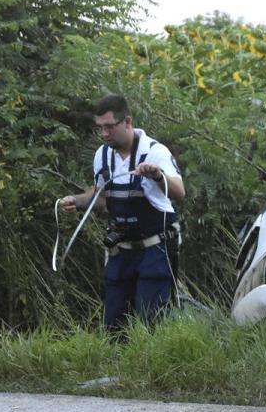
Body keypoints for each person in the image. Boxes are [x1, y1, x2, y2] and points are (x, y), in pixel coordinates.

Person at [61, 95, 185, 333]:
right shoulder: (103, 155)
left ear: (127, 122)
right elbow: (102, 199)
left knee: (151, 323)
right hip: (121, 250)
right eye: (100, 128)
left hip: (155, 249)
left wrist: (157, 176)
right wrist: (76, 201)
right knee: (113, 325)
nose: (104, 134)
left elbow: (179, 193)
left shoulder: (154, 152)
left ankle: (151, 368)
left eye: (110, 127)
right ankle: (115, 369)